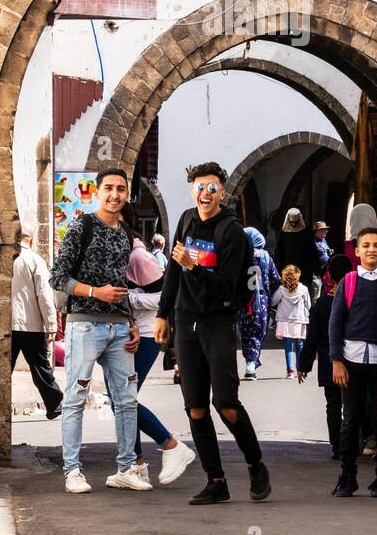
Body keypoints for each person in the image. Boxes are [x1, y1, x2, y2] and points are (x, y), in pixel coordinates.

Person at [155, 162, 271, 506]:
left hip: (217, 323)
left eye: (212, 188)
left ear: (222, 193)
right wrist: (163, 314)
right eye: (200, 186)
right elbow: (174, 273)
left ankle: (256, 464)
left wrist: (196, 267)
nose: (205, 193)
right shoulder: (187, 220)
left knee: (226, 404)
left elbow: (227, 288)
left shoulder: (232, 232)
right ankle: (215, 480)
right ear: (193, 189)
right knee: (195, 407)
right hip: (185, 320)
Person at [50, 168, 145, 495]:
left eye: (121, 189)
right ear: (97, 191)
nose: (115, 194)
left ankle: (125, 468)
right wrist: (95, 292)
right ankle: (72, 471)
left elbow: (121, 284)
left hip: (119, 327)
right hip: (84, 324)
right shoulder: (82, 226)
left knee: (127, 400)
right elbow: (58, 278)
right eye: (109, 188)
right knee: (76, 398)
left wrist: (131, 323)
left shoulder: (125, 233)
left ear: (127, 194)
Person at [109, 228, 195, 488]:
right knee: (120, 401)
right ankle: (135, 465)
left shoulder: (139, 257)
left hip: (144, 337)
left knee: (123, 400)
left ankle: (171, 445)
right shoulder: (118, 256)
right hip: (123, 335)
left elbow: (161, 297)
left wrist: (127, 299)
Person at [328, 227, 377, 498]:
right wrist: (336, 359)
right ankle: (347, 477)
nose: (371, 249)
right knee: (351, 420)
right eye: (366, 245)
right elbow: (336, 323)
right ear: (356, 251)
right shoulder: (348, 281)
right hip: (351, 361)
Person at [10, 230, 62, 419]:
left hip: (7, 322)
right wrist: (51, 325)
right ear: (30, 239)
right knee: (40, 366)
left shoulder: (7, 257)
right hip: (30, 324)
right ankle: (54, 402)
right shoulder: (34, 260)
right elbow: (44, 295)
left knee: (4, 367)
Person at [298, 274, 343, 458]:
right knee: (354, 405)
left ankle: (337, 445)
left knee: (333, 404)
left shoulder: (323, 304)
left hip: (328, 362)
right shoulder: (355, 299)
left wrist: (304, 365)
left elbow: (312, 337)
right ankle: (354, 442)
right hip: (354, 361)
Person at [240, 226, 279, 379]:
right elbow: (275, 278)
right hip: (261, 302)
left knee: (245, 332)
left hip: (244, 301)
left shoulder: (240, 256)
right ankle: (251, 363)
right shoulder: (266, 257)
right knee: (258, 333)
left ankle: (249, 360)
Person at [271, 263, 311, 378]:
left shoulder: (281, 290)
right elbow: (308, 305)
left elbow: (273, 301)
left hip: (285, 320)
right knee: (299, 344)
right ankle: (300, 368)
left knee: (288, 346)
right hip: (299, 320)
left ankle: (290, 371)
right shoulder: (304, 289)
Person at [275, 208, 317, 289]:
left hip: (304, 270)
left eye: (296, 222)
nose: (293, 225)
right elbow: (279, 252)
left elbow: (312, 249)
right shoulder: (283, 232)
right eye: (291, 222)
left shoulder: (306, 231)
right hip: (288, 270)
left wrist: (316, 268)